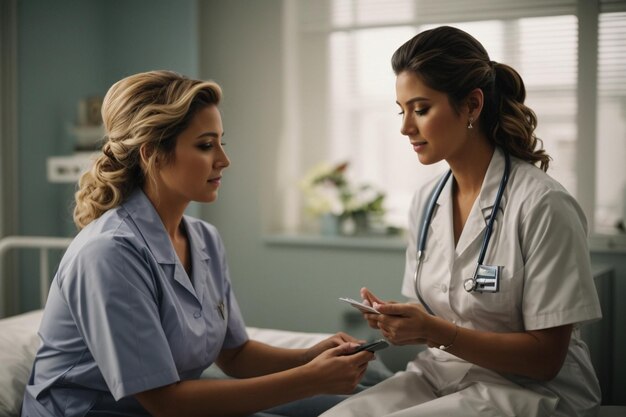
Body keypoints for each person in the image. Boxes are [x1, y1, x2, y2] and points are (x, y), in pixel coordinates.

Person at [21, 70, 375, 417]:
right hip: (92, 410)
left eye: (222, 142)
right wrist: (308, 380)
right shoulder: (109, 253)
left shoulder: (204, 238)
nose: (224, 160)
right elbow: (166, 403)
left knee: (361, 402)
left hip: (168, 404)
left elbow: (234, 354)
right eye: (206, 145)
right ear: (151, 154)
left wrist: (311, 357)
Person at [320, 26, 602, 417]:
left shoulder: (543, 204)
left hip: (530, 390)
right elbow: (438, 311)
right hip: (441, 375)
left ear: (471, 105)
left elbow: (545, 359)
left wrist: (435, 332)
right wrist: (399, 320)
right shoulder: (426, 201)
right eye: (401, 111)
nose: (405, 127)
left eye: (420, 109)